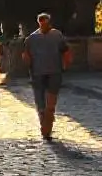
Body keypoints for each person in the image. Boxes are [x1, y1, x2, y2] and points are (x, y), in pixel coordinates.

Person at [22, 12, 72, 141]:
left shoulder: (57, 35)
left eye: (44, 22)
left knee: (49, 104)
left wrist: (66, 65)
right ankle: (45, 128)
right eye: (42, 22)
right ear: (39, 22)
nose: (43, 24)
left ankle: (46, 129)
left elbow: (65, 52)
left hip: (53, 72)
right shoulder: (31, 39)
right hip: (39, 74)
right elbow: (26, 56)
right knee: (41, 104)